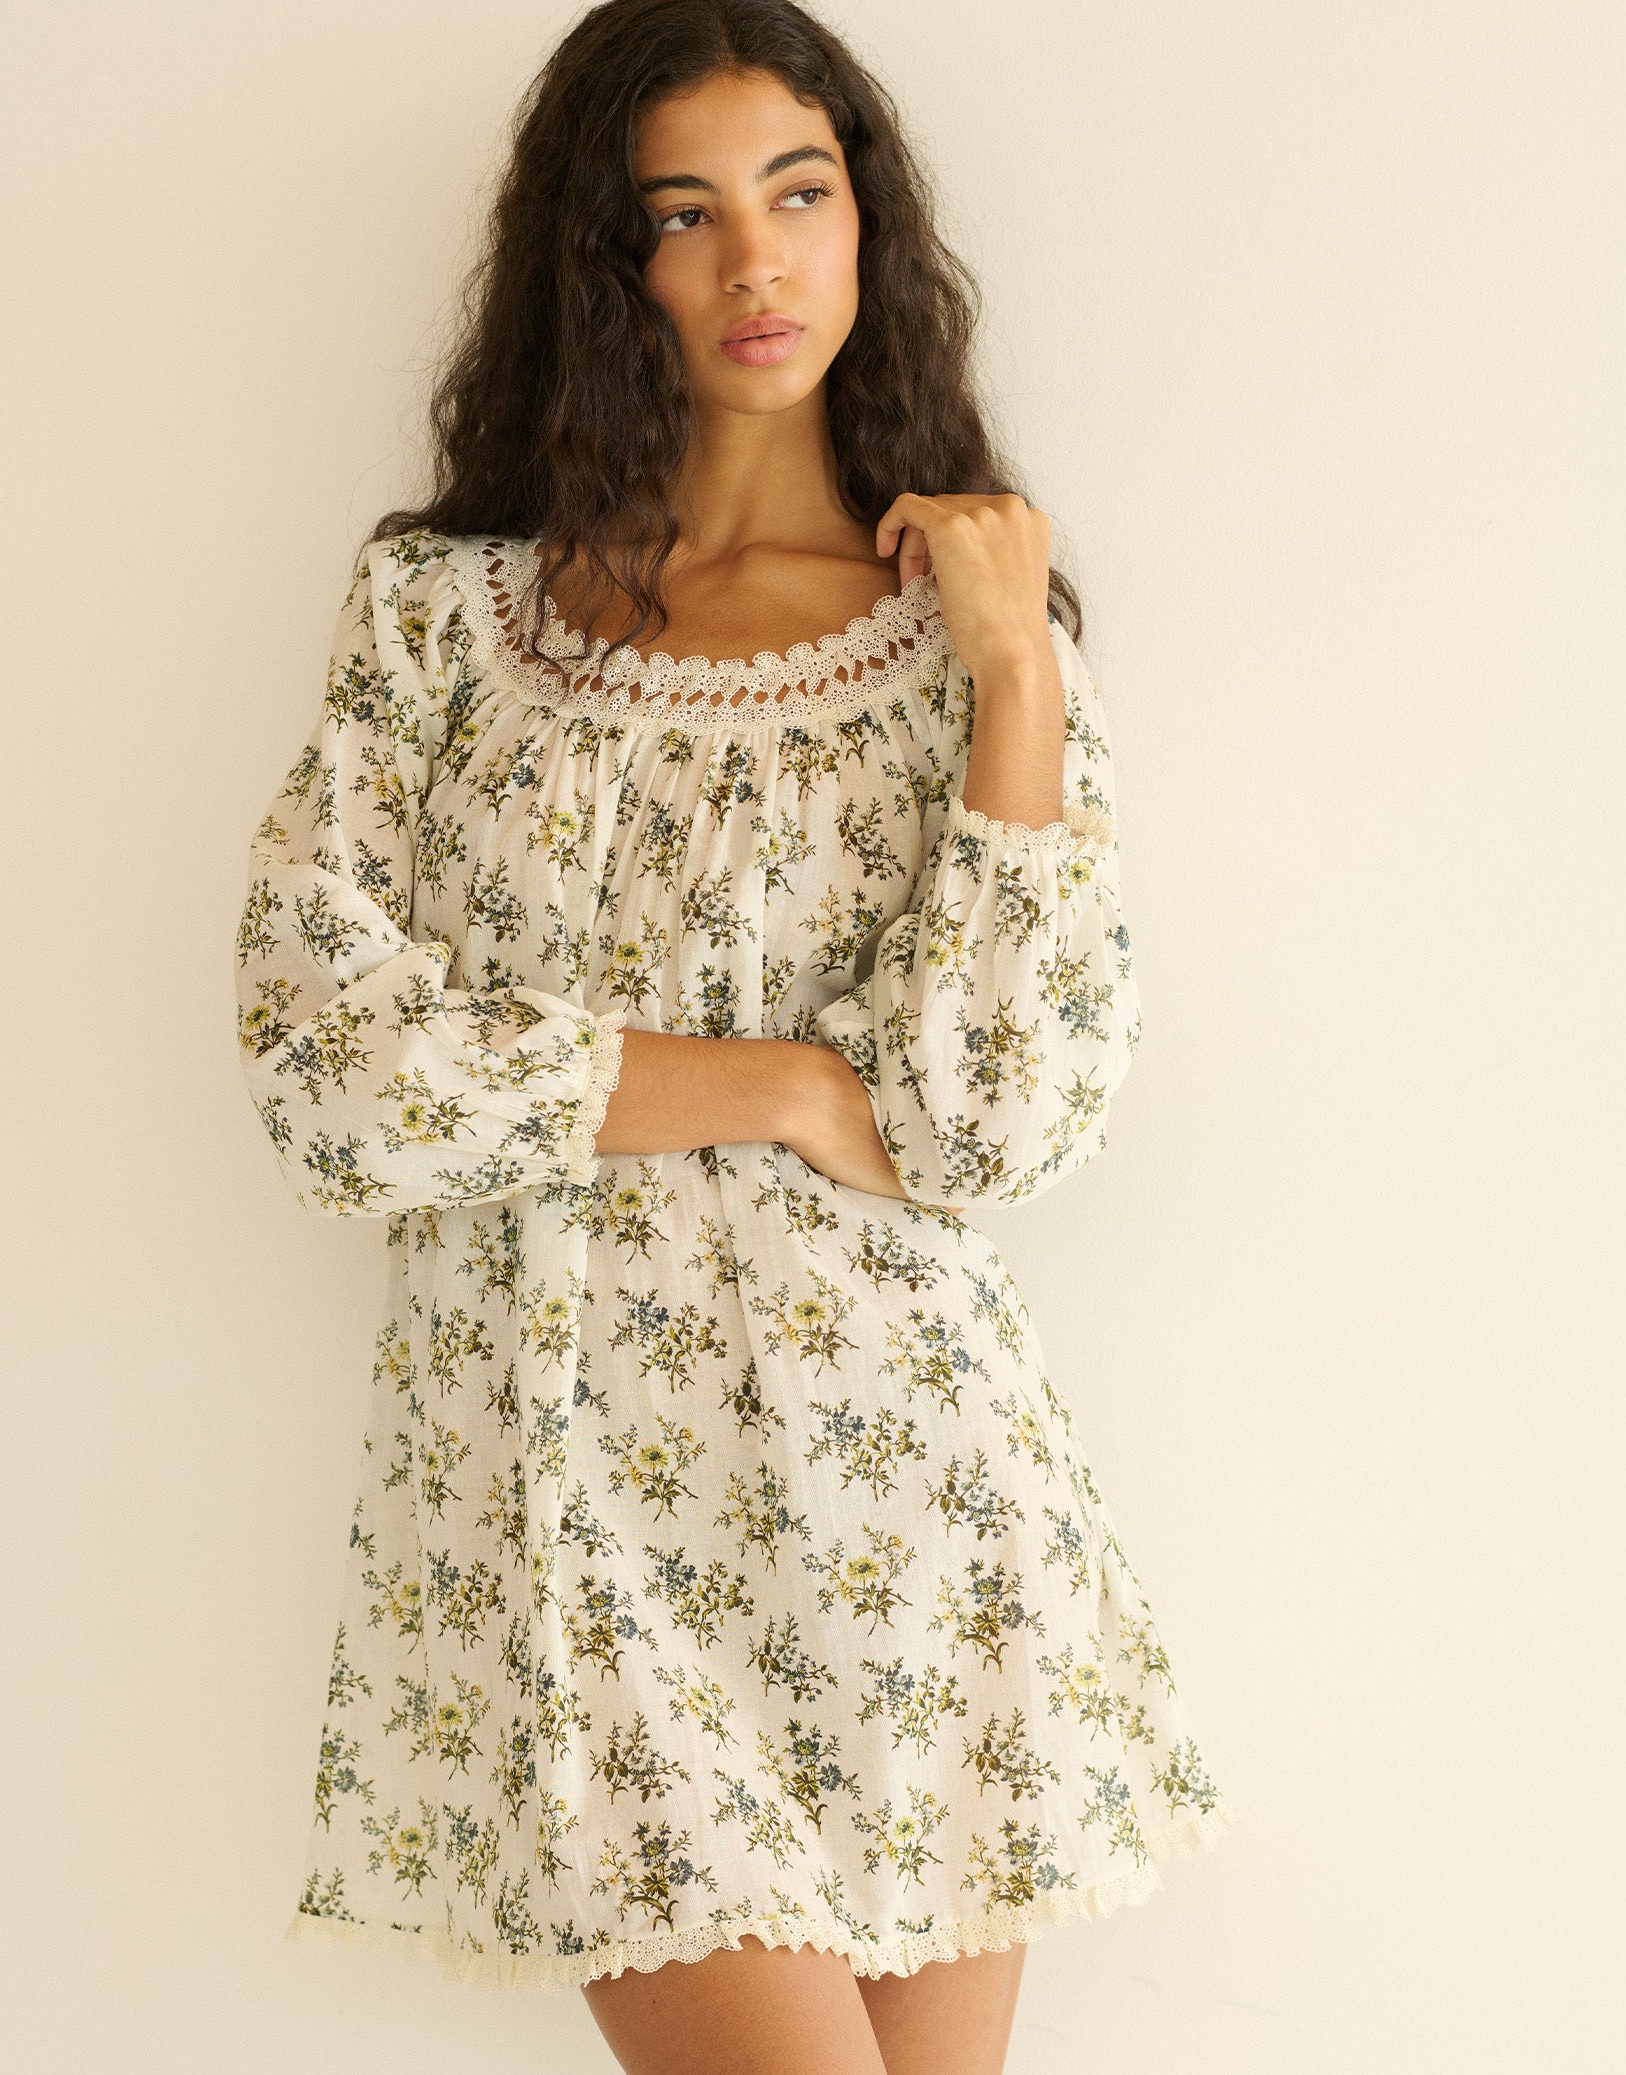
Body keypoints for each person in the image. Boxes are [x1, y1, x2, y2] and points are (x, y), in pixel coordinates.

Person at [232, 3, 1237, 2068]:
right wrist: (776, 1087)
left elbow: (997, 1122)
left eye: (799, 193)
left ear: (869, 221)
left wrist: (1014, 690)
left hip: (912, 1502)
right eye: (683, 216)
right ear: (607, 264)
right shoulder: (447, 623)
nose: (755, 264)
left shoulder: (968, 642)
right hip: (563, 1500)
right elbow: (326, 1061)